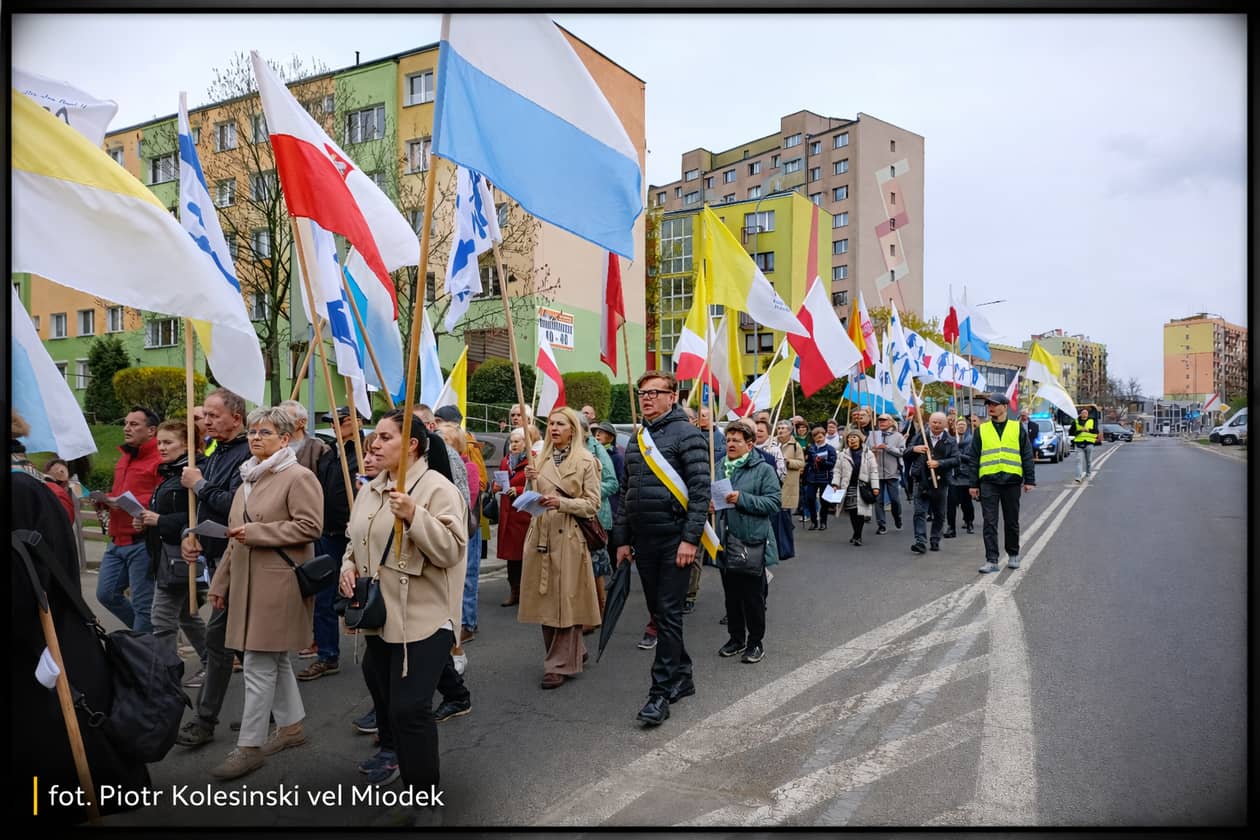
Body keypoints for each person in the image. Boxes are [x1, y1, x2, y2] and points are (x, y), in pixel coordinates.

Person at [338, 409, 467, 812]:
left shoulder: (438, 488)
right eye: (373, 437)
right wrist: (347, 568)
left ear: (411, 444)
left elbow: (451, 550)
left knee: (410, 709)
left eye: (384, 437)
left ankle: (424, 801)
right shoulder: (372, 488)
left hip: (426, 618)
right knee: (387, 701)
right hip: (381, 617)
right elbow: (355, 540)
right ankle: (400, 768)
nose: (374, 444)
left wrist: (414, 515)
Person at [206, 406, 323, 780]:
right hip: (246, 582)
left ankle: (249, 746)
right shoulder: (248, 477)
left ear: (285, 439)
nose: (255, 438)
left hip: (278, 584)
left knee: (257, 663)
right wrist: (220, 583)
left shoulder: (299, 477)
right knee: (273, 659)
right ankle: (291, 727)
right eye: (253, 432)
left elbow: (310, 526)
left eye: (265, 432)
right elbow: (234, 539)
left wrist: (258, 533)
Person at [614, 371, 710, 726]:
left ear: (673, 397)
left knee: (667, 614)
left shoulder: (688, 434)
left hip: (674, 539)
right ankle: (683, 675)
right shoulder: (637, 438)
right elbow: (626, 492)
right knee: (659, 611)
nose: (647, 397)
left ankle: (660, 693)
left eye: (655, 392)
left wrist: (689, 539)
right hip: (644, 540)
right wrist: (622, 539)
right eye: (643, 392)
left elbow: (700, 492)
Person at [176, 387, 253, 749]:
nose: (205, 421)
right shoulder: (212, 451)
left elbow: (233, 505)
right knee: (246, 642)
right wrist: (189, 535)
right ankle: (276, 708)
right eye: (203, 415)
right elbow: (200, 508)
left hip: (237, 557)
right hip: (214, 555)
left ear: (236, 418)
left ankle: (205, 720)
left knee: (218, 637)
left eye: (213, 415)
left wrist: (200, 484)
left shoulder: (247, 454)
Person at [517, 407, 602, 689]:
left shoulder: (586, 461)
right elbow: (531, 499)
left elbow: (592, 504)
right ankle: (571, 652)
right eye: (551, 423)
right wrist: (529, 481)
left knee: (566, 601)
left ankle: (558, 664)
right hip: (540, 536)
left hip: (569, 537)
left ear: (573, 430)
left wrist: (561, 503)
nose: (554, 428)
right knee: (545, 602)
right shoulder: (539, 459)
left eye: (561, 424)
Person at [279, 400, 350, 682]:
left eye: (339, 421)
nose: (334, 426)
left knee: (363, 593)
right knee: (322, 595)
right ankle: (327, 654)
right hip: (326, 532)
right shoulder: (333, 451)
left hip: (351, 533)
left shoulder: (358, 452)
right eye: (331, 422)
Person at [136, 420, 209, 688]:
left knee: (162, 619)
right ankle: (213, 662)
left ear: (187, 444)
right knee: (187, 615)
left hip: (180, 557)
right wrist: (146, 521)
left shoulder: (193, 473)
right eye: (159, 443)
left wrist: (161, 521)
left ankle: (167, 677)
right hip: (165, 556)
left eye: (168, 442)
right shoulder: (171, 472)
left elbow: (199, 514)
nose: (162, 448)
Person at [715, 421, 780, 665]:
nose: (730, 444)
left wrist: (742, 499)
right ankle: (736, 639)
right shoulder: (719, 466)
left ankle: (755, 643)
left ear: (750, 445)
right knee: (731, 596)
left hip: (751, 540)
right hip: (725, 540)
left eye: (736, 441)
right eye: (728, 440)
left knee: (752, 597)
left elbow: (773, 502)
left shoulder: (763, 470)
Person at [96, 407, 163, 634]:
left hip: (141, 541)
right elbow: (120, 491)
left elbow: (161, 496)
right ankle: (150, 637)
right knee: (106, 594)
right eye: (126, 423)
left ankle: (144, 648)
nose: (126, 428)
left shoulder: (159, 458)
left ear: (151, 430)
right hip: (117, 540)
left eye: (134, 424)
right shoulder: (125, 456)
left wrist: (126, 502)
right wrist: (105, 500)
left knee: (143, 605)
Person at [966, 393, 1036, 574]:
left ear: (1005, 407)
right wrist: (973, 484)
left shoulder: (1017, 427)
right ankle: (991, 560)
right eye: (989, 404)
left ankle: (1013, 554)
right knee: (989, 522)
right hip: (988, 482)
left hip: (1011, 481)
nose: (990, 407)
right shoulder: (982, 430)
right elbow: (974, 459)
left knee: (1011, 521)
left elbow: (1027, 454)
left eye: (995, 404)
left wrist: (1030, 480)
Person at [437, 422, 481, 646]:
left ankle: (467, 624)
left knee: (467, 578)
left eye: (444, 439)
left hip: (465, 529)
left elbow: (467, 501)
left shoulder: (469, 467)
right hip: (446, 529)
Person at [580, 413, 619, 629]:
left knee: (593, 567)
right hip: (570, 518)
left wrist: (587, 492)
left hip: (594, 518)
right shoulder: (559, 451)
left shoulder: (597, 450)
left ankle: (598, 612)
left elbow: (612, 483)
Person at [905, 412, 961, 554]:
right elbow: (906, 453)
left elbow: (956, 460)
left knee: (939, 513)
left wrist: (939, 463)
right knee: (919, 512)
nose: (936, 425)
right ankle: (920, 541)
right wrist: (914, 449)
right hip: (921, 480)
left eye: (939, 422)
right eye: (934, 422)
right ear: (929, 423)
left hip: (941, 482)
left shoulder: (950, 440)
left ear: (945, 424)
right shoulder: (920, 436)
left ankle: (935, 539)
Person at [495, 426, 535, 608]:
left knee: (526, 556)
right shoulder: (506, 461)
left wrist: (518, 490)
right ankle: (514, 592)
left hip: (523, 515)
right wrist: (496, 486)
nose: (513, 445)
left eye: (517, 441)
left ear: (526, 443)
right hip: (507, 515)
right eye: (511, 442)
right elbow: (500, 482)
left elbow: (537, 484)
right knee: (511, 559)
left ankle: (528, 594)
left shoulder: (533, 460)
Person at [830, 430, 879, 545]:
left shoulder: (868, 454)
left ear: (860, 439)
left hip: (862, 486)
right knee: (852, 511)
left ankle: (858, 536)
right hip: (848, 486)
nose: (851, 439)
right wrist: (835, 484)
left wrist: (875, 487)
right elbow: (837, 470)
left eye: (854, 437)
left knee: (860, 511)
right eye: (849, 437)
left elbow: (873, 471)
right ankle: (856, 533)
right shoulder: (842, 454)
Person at [869, 412, 906, 534]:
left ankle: (898, 518)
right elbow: (866, 450)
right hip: (876, 473)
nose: (881, 422)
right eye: (880, 420)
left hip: (892, 472)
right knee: (878, 500)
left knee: (895, 500)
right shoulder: (873, 435)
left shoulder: (898, 436)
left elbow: (902, 452)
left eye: (884, 420)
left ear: (890, 422)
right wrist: (872, 450)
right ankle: (881, 525)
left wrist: (886, 447)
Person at [773, 420, 803, 560]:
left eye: (783, 428)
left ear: (790, 431)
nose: (780, 430)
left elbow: (801, 463)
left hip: (787, 483)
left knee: (784, 515)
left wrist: (788, 461)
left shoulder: (795, 445)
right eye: (779, 428)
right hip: (774, 481)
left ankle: (785, 548)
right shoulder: (772, 443)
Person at [945, 417, 976, 537]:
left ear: (967, 427)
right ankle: (951, 528)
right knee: (951, 503)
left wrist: (959, 456)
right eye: (959, 424)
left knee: (966, 503)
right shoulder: (950, 440)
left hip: (966, 476)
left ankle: (969, 522)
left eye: (963, 424)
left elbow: (973, 459)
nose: (961, 426)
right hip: (953, 476)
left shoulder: (972, 441)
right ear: (956, 427)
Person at [802, 424, 837, 531]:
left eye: (821, 436)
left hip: (825, 477)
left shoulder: (830, 449)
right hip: (812, 477)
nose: (819, 438)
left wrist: (822, 461)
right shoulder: (811, 448)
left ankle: (823, 522)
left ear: (824, 436)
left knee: (824, 501)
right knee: (810, 499)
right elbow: (808, 462)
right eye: (816, 437)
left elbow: (831, 464)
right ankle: (814, 521)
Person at [592, 421, 625, 515]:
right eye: (596, 432)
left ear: (611, 438)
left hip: (611, 506)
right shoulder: (591, 455)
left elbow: (622, 484)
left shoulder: (617, 457)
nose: (597, 434)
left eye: (602, 432)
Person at [1069, 406, 1097, 482]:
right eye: (1083, 413)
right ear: (1080, 414)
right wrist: (1080, 430)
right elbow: (1071, 432)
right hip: (1079, 443)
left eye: (1086, 413)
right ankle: (1078, 477)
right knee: (1079, 460)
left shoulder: (1092, 421)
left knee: (1089, 461)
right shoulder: (1076, 422)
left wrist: (1088, 430)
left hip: (1089, 443)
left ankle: (1088, 474)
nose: (1084, 414)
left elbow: (1096, 431)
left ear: (1088, 414)